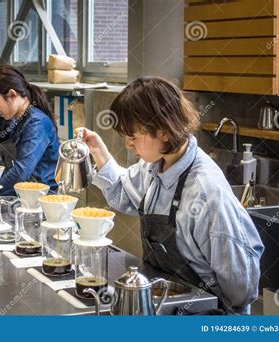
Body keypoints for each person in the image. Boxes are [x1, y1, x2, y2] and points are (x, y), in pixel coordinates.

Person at [79, 76, 264, 314]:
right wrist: (98, 151)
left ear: (164, 131)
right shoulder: (155, 166)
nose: (127, 144)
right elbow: (123, 192)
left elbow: (241, 290)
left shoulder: (206, 193)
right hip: (168, 307)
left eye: (133, 137)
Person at [0, 65, 59, 195]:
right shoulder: (18, 120)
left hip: (40, 201)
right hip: (23, 197)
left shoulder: (37, 123)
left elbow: (21, 171)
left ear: (12, 95)